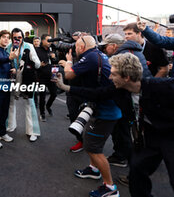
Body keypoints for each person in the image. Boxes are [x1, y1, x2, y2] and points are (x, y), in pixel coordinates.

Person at [55, 52, 174, 197]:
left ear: (127, 77)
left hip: (170, 135)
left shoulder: (162, 87)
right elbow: (96, 93)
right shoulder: (118, 90)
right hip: (149, 136)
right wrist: (65, 87)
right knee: (136, 170)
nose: (110, 78)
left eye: (113, 74)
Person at [58, 35, 122, 196]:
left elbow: (69, 75)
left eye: (76, 46)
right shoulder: (97, 54)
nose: (75, 49)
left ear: (81, 47)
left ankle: (110, 188)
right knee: (89, 141)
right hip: (101, 106)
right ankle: (94, 170)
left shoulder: (91, 57)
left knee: (93, 148)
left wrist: (68, 62)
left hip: (105, 110)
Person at [98, 33, 152, 169]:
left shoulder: (124, 56)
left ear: (113, 46)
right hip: (136, 98)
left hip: (135, 99)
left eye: (105, 47)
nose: (104, 50)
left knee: (125, 129)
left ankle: (124, 158)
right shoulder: (134, 51)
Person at [6, 28, 41, 142]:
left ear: (22, 37)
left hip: (26, 79)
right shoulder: (8, 47)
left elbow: (38, 64)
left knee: (30, 103)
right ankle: (10, 125)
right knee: (10, 103)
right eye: (15, 37)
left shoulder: (29, 46)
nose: (17, 40)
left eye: (19, 37)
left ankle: (33, 131)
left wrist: (31, 59)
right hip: (12, 79)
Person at [35, 34, 58, 121]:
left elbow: (56, 62)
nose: (50, 43)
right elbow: (34, 63)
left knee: (54, 94)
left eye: (51, 41)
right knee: (42, 96)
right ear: (43, 40)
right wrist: (39, 65)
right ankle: (42, 113)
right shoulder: (37, 50)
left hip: (52, 75)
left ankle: (48, 106)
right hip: (41, 76)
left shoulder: (52, 50)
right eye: (48, 40)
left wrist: (54, 57)